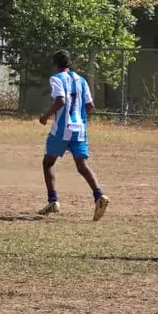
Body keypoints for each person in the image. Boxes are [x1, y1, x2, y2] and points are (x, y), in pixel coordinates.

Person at [37, 50, 110, 221]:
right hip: (80, 129)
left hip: (62, 128)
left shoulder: (56, 78)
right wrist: (78, 115)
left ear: (55, 65)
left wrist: (46, 116)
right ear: (69, 64)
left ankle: (53, 200)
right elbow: (90, 105)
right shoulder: (81, 80)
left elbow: (60, 100)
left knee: (48, 162)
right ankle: (99, 196)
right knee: (82, 166)